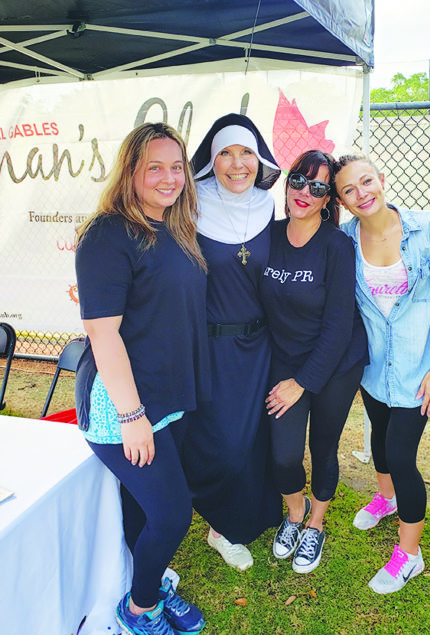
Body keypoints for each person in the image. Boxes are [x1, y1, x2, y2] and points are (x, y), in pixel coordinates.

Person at [75, 122, 209, 635]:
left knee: (144, 506)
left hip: (166, 396)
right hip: (123, 404)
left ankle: (143, 584)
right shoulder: (109, 234)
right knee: (174, 514)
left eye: (176, 167)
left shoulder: (174, 228)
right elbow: (102, 334)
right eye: (155, 167)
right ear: (130, 171)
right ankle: (138, 610)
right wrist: (133, 417)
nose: (169, 177)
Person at [335, 153, 430, 594]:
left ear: (382, 179)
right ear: (342, 201)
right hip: (374, 371)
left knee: (401, 455)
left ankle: (410, 555)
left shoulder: (429, 228)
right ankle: (386, 499)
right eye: (349, 190)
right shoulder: (344, 240)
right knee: (378, 438)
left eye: (366, 182)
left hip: (416, 371)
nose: (361, 194)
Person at [180, 113, 283, 571]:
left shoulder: (268, 206)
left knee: (253, 439)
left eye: (246, 153)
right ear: (211, 160)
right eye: (225, 153)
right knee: (220, 441)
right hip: (211, 347)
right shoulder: (189, 204)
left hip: (260, 347)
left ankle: (230, 526)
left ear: (259, 159)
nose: (237, 164)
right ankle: (209, 514)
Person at [260, 150, 368, 574]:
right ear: (287, 184)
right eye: (300, 181)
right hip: (285, 359)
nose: (305, 192)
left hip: (337, 363)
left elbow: (339, 327)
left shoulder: (337, 247)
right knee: (283, 455)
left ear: (329, 201)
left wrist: (301, 383)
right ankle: (294, 512)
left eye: (319, 187)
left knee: (323, 446)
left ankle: (316, 524)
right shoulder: (266, 235)